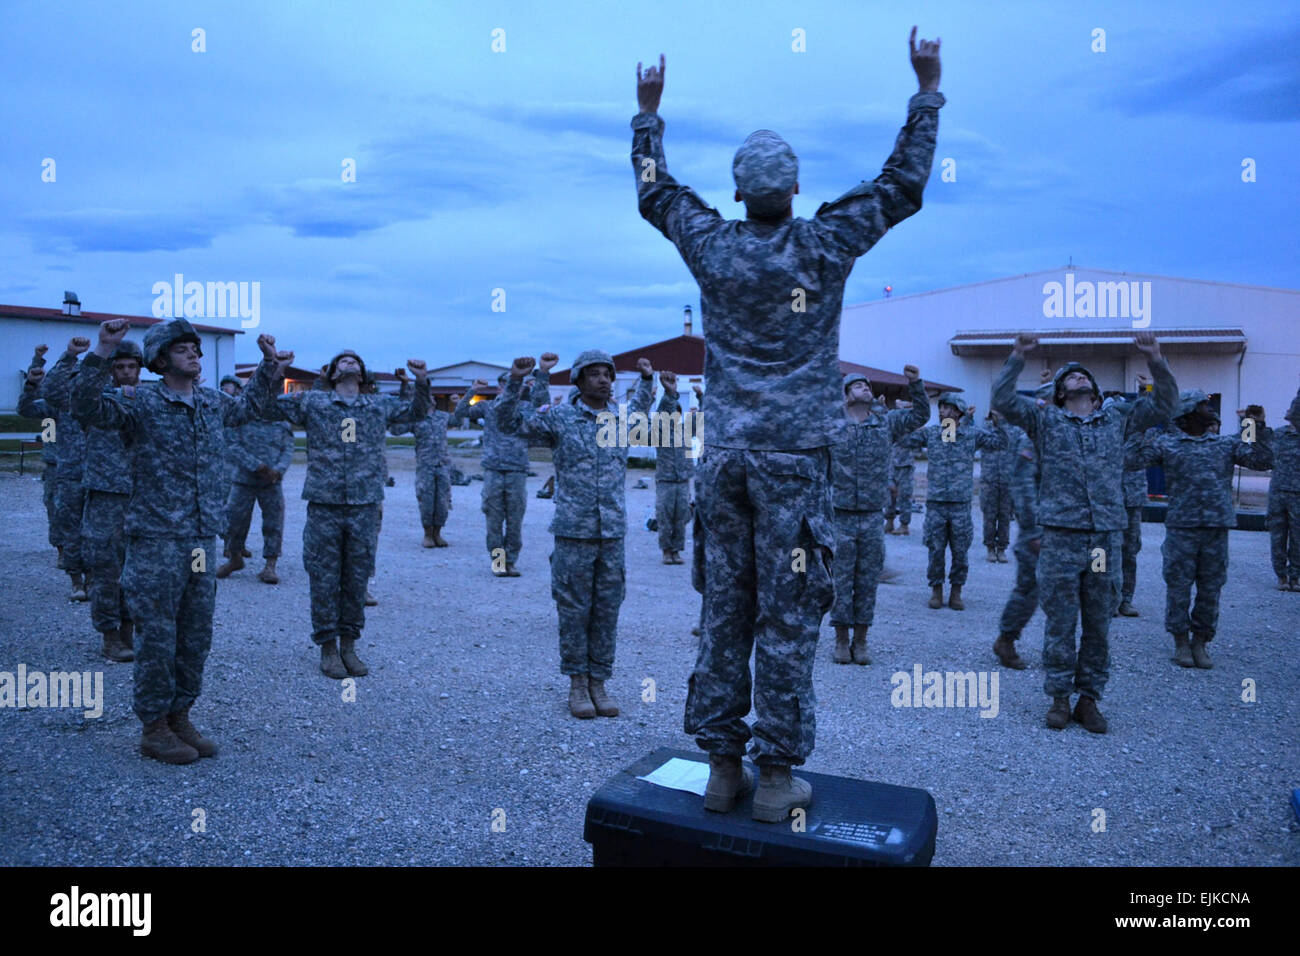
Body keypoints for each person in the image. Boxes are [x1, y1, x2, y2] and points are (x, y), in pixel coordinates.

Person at [631, 28, 944, 821]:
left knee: (725, 613)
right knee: (789, 615)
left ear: (738, 194)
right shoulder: (826, 242)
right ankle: (776, 779)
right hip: (795, 462)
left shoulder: (712, 243)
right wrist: (925, 91)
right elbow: (902, 187)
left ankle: (721, 769)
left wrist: (648, 115)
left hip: (727, 457)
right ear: (796, 190)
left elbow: (653, 193)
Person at [73, 318, 291, 763]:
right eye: (182, 348)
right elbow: (86, 407)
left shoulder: (212, 402)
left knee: (195, 633)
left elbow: (253, 407)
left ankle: (181, 714)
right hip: (156, 540)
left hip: (197, 542)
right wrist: (102, 350)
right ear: (160, 358)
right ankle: (153, 726)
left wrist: (270, 366)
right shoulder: (141, 401)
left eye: (196, 347)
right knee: (157, 635)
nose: (194, 353)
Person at [993, 332, 1177, 733]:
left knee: (1098, 620)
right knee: (1060, 620)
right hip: (1061, 536)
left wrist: (1156, 358)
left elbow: (1165, 404)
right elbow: (1002, 401)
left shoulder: (1117, 417)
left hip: (1102, 540)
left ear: (1094, 392)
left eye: (1082, 376)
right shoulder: (1046, 419)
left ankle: (1089, 699)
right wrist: (1017, 356)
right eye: (1069, 378)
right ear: (1059, 394)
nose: (1077, 378)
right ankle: (1059, 697)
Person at [245, 348, 430, 679]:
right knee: (324, 576)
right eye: (342, 360)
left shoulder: (377, 405)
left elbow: (417, 412)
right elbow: (262, 404)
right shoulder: (313, 402)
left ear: (362, 373)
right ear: (331, 373)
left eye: (355, 360)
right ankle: (327, 647)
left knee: (356, 578)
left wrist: (421, 380)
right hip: (325, 503)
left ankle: (350, 644)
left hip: (363, 504)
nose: (349, 362)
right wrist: (274, 367)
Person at [498, 351, 654, 719]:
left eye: (608, 375)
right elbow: (508, 422)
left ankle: (600, 681)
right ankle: (577, 684)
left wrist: (647, 382)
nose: (603, 380)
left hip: (611, 532)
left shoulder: (620, 419)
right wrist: (517, 380)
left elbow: (643, 411)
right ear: (579, 381)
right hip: (573, 531)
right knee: (574, 610)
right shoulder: (560, 418)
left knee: (607, 609)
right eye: (595, 375)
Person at [1131, 391, 1273, 668]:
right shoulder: (1168, 444)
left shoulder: (1224, 444)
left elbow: (1263, 460)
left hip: (1215, 528)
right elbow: (1131, 461)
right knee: (1179, 587)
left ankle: (1201, 641)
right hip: (1182, 528)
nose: (1211, 409)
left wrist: (1254, 426)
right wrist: (1140, 428)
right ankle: (1181, 640)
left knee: (1211, 588)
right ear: (1188, 413)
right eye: (1204, 405)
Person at [830, 368, 928, 664]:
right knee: (841, 579)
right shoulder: (832, 425)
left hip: (872, 514)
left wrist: (916, 384)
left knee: (867, 578)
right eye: (858, 386)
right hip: (840, 513)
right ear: (846, 395)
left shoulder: (885, 423)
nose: (865, 389)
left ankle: (861, 640)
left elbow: (920, 415)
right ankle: (841, 639)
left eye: (866, 385)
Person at [70, 339, 144, 661]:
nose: (126, 373)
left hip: (143, 496)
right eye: (119, 367)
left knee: (138, 570)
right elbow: (76, 398)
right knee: (106, 570)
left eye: (131, 367)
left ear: (140, 369)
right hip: (106, 497)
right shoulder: (97, 401)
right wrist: (96, 352)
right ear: (111, 370)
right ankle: (110, 635)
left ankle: (129, 630)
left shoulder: (150, 399)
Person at [900, 394, 1006, 610]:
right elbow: (903, 439)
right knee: (935, 549)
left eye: (948, 408)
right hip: (936, 503)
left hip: (960, 504)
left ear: (959, 412)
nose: (942, 412)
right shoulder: (932, 433)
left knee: (960, 551)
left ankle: (956, 591)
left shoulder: (972, 435)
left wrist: (1000, 419)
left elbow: (1001, 442)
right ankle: (936, 590)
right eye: (941, 408)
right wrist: (906, 415)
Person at [450, 361, 554, 575]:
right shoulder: (488, 407)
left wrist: (543, 375)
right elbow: (460, 412)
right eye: (505, 384)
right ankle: (498, 563)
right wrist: (473, 391)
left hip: (516, 469)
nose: (510, 388)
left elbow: (544, 406)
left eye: (513, 384)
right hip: (494, 469)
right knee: (494, 519)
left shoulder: (526, 408)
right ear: (500, 387)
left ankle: (511, 561)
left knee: (515, 520)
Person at [33, 337, 92, 601]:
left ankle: (94, 580)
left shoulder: (101, 405)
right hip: (67, 475)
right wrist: (68, 355)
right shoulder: (61, 408)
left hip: (101, 478)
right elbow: (44, 392)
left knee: (99, 532)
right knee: (70, 529)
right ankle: (76, 580)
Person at [216, 394, 295, 584]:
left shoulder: (281, 423)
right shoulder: (241, 419)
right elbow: (232, 445)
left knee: (273, 523)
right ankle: (234, 557)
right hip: (244, 480)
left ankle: (270, 566)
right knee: (234, 520)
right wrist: (257, 466)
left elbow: (288, 448)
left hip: (272, 482)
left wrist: (277, 470)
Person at [391, 375, 461, 548]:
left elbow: (458, 419)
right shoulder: (416, 418)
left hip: (443, 465)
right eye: (425, 397)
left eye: (431, 397)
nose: (429, 399)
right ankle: (427, 534)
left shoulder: (443, 417)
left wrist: (457, 403)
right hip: (425, 465)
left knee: (443, 500)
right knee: (426, 499)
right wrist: (404, 390)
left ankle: (438, 533)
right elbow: (395, 430)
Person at [17, 345, 61, 557]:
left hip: (84, 467)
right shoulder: (52, 404)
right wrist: (37, 361)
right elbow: (29, 403)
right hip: (56, 463)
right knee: (55, 509)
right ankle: (64, 552)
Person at [652, 370, 699, 564]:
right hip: (666, 480)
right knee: (665, 517)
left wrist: (703, 397)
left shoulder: (687, 431)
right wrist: (669, 394)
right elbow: (664, 412)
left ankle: (677, 550)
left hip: (682, 481)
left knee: (681, 518)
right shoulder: (659, 432)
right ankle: (666, 551)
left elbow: (707, 417)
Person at [1265, 381, 1300, 590]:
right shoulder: (1278, 434)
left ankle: (1295, 576)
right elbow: (1248, 443)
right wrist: (1248, 421)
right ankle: (1281, 576)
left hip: (1298, 494)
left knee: (1298, 537)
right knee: (1277, 536)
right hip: (1278, 492)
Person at [979, 409, 1025, 563]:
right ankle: (990, 548)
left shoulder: (1016, 430)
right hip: (989, 479)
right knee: (989, 516)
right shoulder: (984, 429)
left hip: (1008, 480)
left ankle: (1002, 548)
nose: (999, 413)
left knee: (1005, 516)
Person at [885, 413, 916, 535]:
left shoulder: (910, 425)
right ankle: (889, 522)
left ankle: (904, 524)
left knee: (904, 495)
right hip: (891, 463)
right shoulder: (891, 426)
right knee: (889, 494)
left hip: (905, 465)